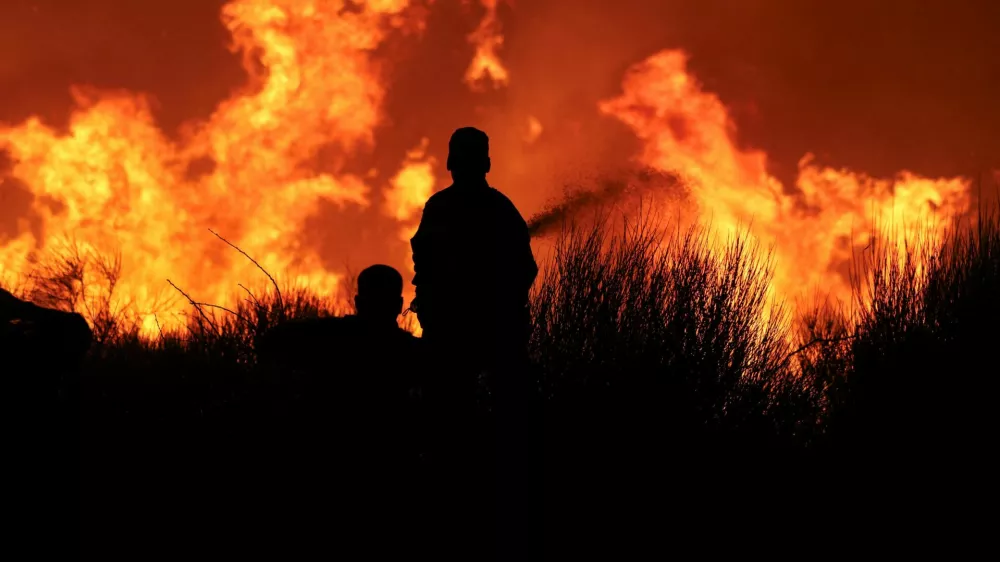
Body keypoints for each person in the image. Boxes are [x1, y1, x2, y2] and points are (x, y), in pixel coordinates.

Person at [409, 127, 541, 559]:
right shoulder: (497, 209)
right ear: (486, 162)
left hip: (470, 332)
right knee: (466, 421)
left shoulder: (443, 207)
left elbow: (424, 264)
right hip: (479, 332)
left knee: (455, 420)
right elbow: (524, 270)